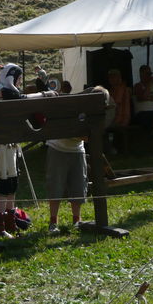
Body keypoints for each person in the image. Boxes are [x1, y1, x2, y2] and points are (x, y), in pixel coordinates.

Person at [0, 63, 56, 238]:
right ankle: (0, 227)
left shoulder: (8, 89)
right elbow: (15, 96)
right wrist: (42, 94)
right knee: (3, 185)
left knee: (13, 184)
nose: (19, 81)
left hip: (11, 145)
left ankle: (11, 222)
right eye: (18, 78)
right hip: (1, 145)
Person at [46, 86, 110, 234]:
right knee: (56, 185)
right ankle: (53, 222)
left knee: (78, 185)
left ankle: (77, 220)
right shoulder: (76, 107)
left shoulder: (95, 112)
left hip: (77, 150)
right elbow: (67, 128)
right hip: (58, 148)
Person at [132, 65, 153, 153]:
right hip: (143, 114)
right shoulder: (138, 86)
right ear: (141, 74)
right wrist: (148, 85)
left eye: (150, 74)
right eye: (147, 74)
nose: (149, 76)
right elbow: (141, 97)